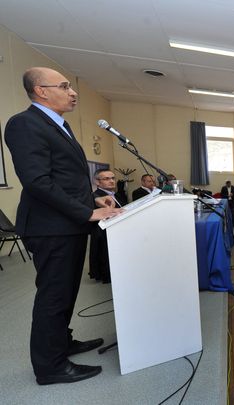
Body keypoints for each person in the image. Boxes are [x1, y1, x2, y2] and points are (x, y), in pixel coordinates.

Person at [4, 67, 123, 385]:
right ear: (41, 90)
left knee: (67, 292)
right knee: (54, 296)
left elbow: (63, 178)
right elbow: (38, 181)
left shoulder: (60, 125)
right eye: (65, 86)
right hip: (50, 227)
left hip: (65, 224)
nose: (73, 92)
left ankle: (62, 342)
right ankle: (49, 366)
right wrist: (87, 213)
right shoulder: (24, 124)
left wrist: (93, 201)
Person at [89, 169, 126, 283]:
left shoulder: (118, 195)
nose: (111, 181)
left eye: (113, 178)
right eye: (106, 179)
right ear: (97, 182)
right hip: (103, 233)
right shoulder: (95, 196)